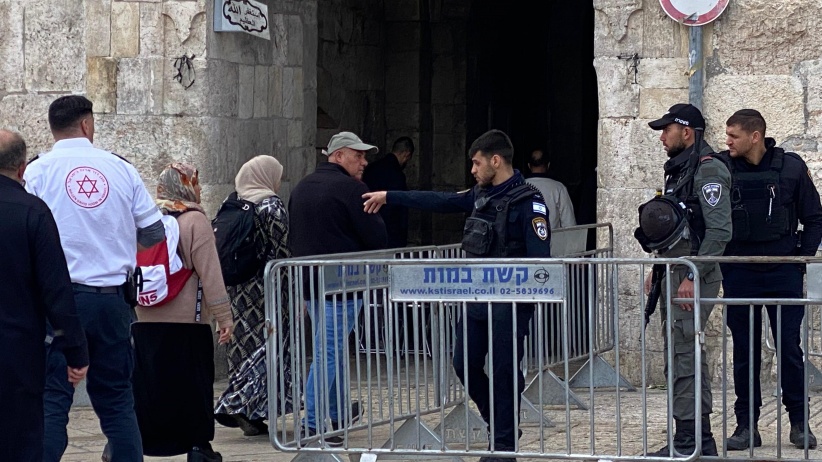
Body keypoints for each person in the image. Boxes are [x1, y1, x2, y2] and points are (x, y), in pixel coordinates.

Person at [363, 129, 551, 462]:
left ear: (496, 160)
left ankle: (504, 447)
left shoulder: (528, 202)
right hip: (476, 300)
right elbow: (439, 200)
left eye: (477, 163)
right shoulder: (481, 195)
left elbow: (541, 260)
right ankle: (500, 424)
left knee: (505, 371)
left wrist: (525, 301)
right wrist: (391, 196)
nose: (473, 170)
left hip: (508, 304)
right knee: (463, 362)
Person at [24, 95, 165, 462]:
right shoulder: (120, 168)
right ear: (87, 124)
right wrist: (113, 237)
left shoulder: (38, 171)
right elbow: (153, 233)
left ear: (52, 127)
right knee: (118, 400)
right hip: (111, 299)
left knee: (53, 398)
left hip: (59, 302)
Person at [717, 109, 822, 451]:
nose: (727, 141)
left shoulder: (790, 167)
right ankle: (747, 426)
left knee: (789, 350)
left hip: (782, 272)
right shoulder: (721, 167)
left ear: (755, 136)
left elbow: (814, 216)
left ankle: (798, 423)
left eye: (733, 135)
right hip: (740, 271)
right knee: (745, 353)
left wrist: (801, 260)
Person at [635, 103, 732, 457]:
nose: (662, 137)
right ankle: (696, 440)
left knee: (684, 355)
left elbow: (719, 231)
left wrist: (694, 273)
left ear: (686, 132)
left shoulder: (708, 171)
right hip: (676, 274)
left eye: (667, 130)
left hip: (692, 276)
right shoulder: (681, 170)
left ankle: (691, 442)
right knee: (681, 355)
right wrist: (659, 269)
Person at [289, 131, 388, 445]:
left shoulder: (302, 187)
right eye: (358, 156)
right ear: (339, 155)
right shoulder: (351, 189)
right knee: (327, 351)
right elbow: (376, 237)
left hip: (310, 283)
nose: (364, 162)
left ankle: (339, 412)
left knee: (329, 347)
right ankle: (315, 423)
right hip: (342, 285)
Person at [132, 163, 234, 462]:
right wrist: (224, 317)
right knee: (192, 387)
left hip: (145, 319)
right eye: (196, 183)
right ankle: (197, 447)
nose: (199, 189)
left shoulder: (144, 219)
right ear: (186, 186)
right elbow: (210, 273)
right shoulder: (194, 221)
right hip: (188, 322)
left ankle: (140, 441)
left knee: (149, 386)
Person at [0, 129, 89, 462]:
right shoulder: (32, 211)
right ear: (23, 168)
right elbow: (56, 290)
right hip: (17, 350)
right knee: (21, 436)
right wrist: (76, 352)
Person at [215, 155, 295, 437]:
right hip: (267, 290)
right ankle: (236, 403)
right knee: (269, 348)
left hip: (237, 289)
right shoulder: (272, 205)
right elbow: (281, 251)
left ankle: (253, 412)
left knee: (244, 351)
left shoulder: (232, 200)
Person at [362, 136, 414, 247]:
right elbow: (400, 206)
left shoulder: (371, 168)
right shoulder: (397, 175)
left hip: (369, 224)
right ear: (406, 154)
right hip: (391, 231)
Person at [526, 147, 576, 229]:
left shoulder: (518, 187)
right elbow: (569, 224)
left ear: (528, 165)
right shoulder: (558, 188)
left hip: (525, 241)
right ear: (548, 165)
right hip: (552, 241)